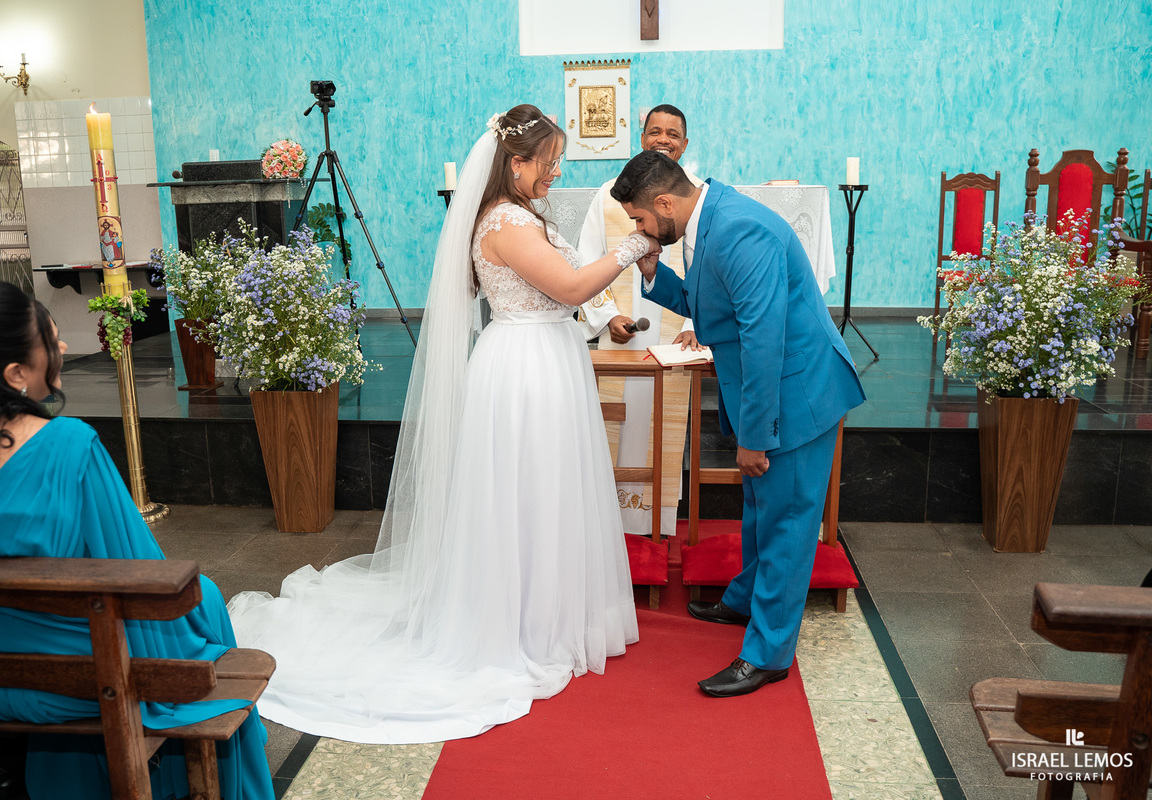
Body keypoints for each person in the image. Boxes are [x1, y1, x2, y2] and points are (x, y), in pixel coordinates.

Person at [227, 104, 650, 744]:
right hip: (523, 370)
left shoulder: (525, 216)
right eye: (550, 160)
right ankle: (520, 623)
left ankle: (549, 610)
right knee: (523, 493)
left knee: (547, 490)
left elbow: (565, 296)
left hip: (548, 359)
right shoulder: (503, 222)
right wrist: (633, 244)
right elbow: (564, 286)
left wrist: (600, 312)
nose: (557, 171)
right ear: (516, 163)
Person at [0, 281, 273, 800]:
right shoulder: (69, 445)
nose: (60, 351)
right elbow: (138, 568)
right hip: (66, 685)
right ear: (15, 375)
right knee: (205, 596)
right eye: (48, 346)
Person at [611, 151, 866, 697]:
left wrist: (754, 436)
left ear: (663, 202)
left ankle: (769, 653)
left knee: (787, 524)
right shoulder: (708, 217)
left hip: (797, 391)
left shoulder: (739, 228)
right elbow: (710, 305)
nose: (640, 229)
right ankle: (745, 600)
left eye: (639, 219)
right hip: (776, 385)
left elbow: (762, 337)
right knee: (759, 508)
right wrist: (654, 272)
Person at [577, 104, 704, 539]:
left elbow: (707, 273)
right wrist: (609, 314)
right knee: (619, 423)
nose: (663, 139)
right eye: (655, 131)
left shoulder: (694, 198)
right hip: (621, 340)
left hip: (677, 342)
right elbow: (588, 259)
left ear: (684, 144)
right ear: (642, 138)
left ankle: (658, 525)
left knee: (661, 426)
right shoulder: (610, 194)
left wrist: (695, 324)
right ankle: (611, 525)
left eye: (673, 133)